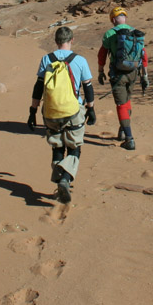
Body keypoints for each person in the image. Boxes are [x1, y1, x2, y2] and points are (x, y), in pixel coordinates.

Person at [28, 26, 97, 204]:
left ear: (56, 41)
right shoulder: (80, 60)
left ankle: (59, 180)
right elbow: (88, 87)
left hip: (51, 112)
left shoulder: (46, 59)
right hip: (74, 110)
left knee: (57, 147)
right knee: (75, 147)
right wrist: (91, 108)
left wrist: (33, 111)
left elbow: (38, 87)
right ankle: (65, 179)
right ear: (71, 40)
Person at [97, 7, 148, 151]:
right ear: (124, 18)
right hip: (133, 73)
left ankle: (129, 139)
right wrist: (145, 75)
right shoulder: (136, 33)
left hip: (117, 73)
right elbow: (144, 56)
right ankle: (123, 129)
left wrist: (100, 71)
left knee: (121, 104)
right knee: (127, 101)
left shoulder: (110, 33)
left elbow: (102, 54)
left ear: (113, 20)